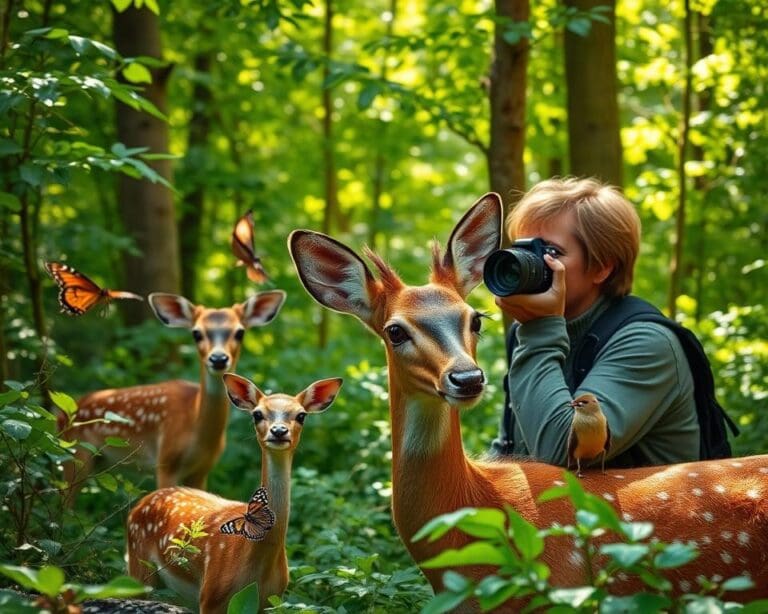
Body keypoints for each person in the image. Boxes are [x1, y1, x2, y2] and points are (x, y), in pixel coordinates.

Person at [490, 177, 700, 467]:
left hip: (641, 500)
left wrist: (539, 331)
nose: (527, 263)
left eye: (550, 252)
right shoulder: (531, 329)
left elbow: (560, 453)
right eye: (523, 249)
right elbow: (513, 451)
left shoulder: (647, 344)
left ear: (602, 268)